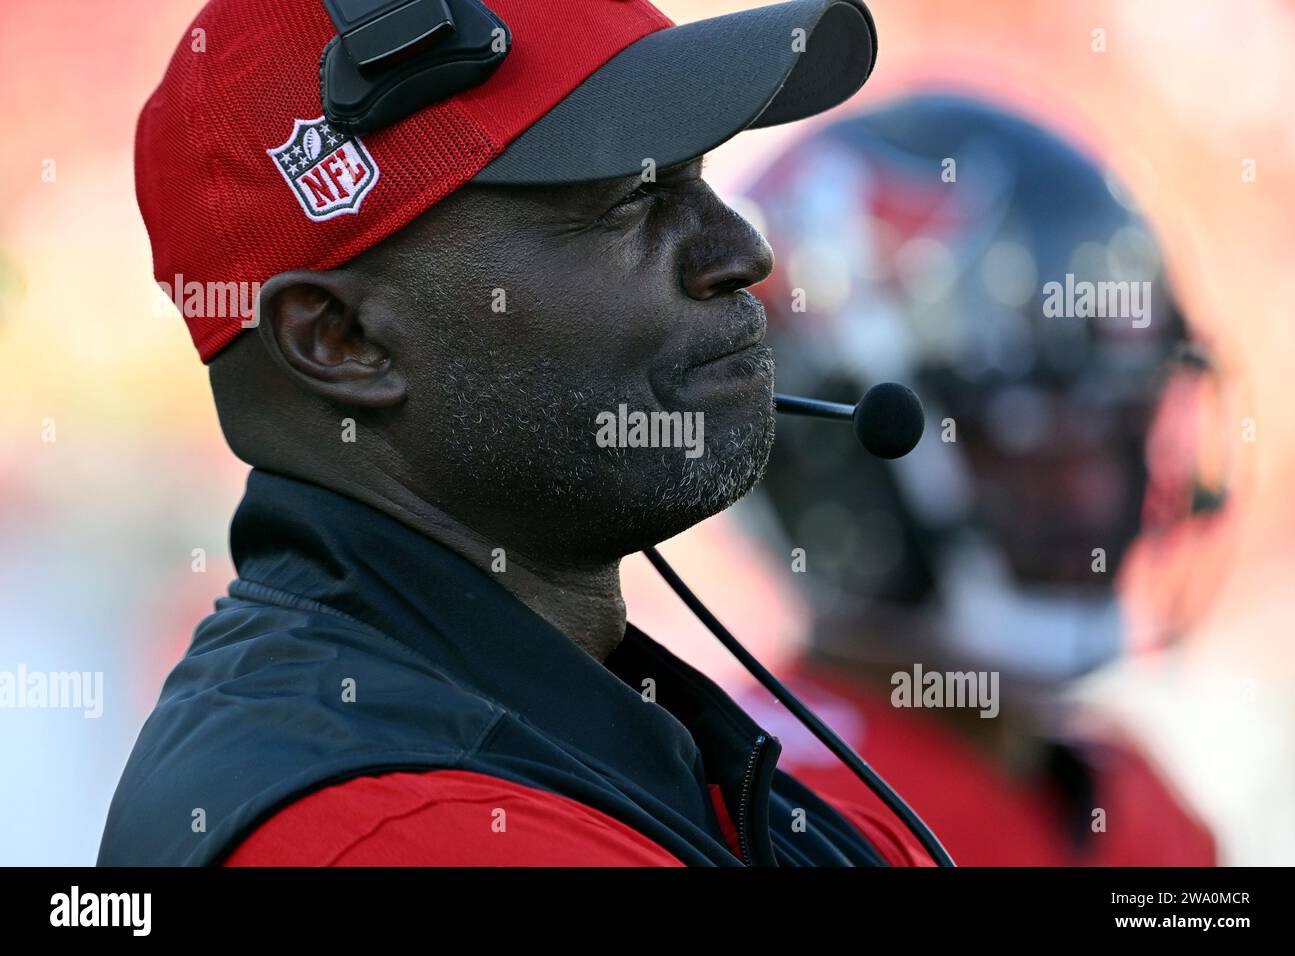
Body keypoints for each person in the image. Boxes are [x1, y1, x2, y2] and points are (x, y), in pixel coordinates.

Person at [98, 0, 935, 867]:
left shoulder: (621, 739)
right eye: (632, 199)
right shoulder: (397, 833)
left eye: (698, 178)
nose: (742, 250)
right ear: (341, 341)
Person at [737, 95, 1219, 865]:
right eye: (1024, 438)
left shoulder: (1140, 802)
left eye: (1121, 430)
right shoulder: (772, 815)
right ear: (833, 456)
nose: (1091, 497)